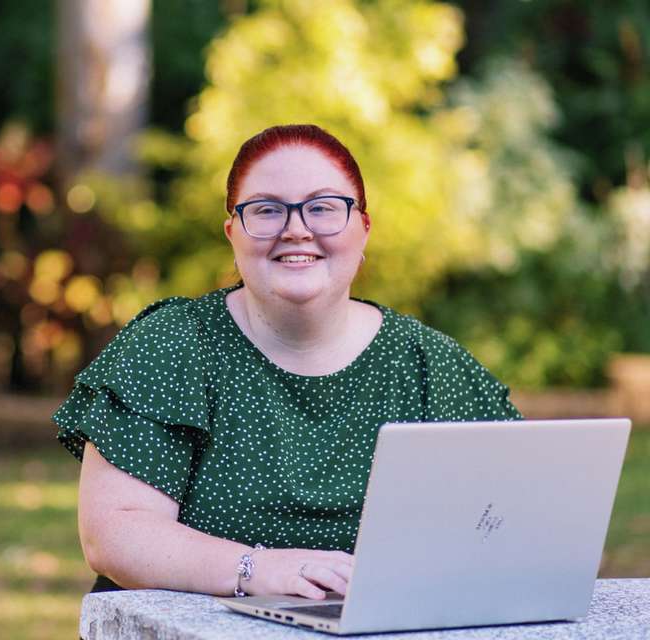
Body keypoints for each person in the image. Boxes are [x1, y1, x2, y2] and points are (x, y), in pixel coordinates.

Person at [52, 124, 521, 602]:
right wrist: (256, 569)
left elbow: (513, 519)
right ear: (233, 233)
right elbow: (115, 534)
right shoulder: (174, 345)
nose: (296, 229)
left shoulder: (430, 365)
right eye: (267, 210)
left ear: (363, 228)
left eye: (323, 207)